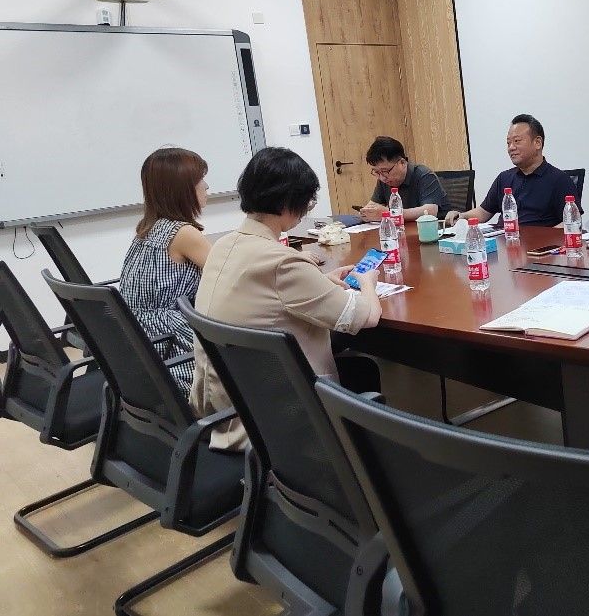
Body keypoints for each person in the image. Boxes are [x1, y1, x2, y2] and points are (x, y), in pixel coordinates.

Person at [190, 147, 382, 451]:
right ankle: (360, 457)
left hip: (229, 405)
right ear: (287, 202)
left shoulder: (224, 245)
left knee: (358, 368)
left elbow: (270, 296)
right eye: (307, 201)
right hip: (279, 416)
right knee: (361, 370)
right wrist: (367, 282)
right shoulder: (282, 262)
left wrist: (320, 282)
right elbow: (366, 317)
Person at [120, 147, 211, 396]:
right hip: (169, 343)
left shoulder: (148, 227)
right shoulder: (183, 233)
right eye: (200, 180)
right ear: (182, 190)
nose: (206, 186)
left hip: (138, 340)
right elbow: (229, 274)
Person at [445, 114, 580, 227]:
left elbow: (572, 222)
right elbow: (483, 212)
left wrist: (543, 238)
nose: (511, 147)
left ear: (537, 143)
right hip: (504, 243)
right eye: (508, 142)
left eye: (517, 141)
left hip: (537, 247)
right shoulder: (504, 178)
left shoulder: (559, 180)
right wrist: (461, 216)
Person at [358, 136, 449, 222]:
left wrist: (390, 213)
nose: (382, 178)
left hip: (436, 229)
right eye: (376, 172)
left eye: (385, 171)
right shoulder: (384, 179)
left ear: (402, 163)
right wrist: (366, 213)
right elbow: (372, 206)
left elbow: (430, 211)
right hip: (403, 228)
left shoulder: (424, 175)